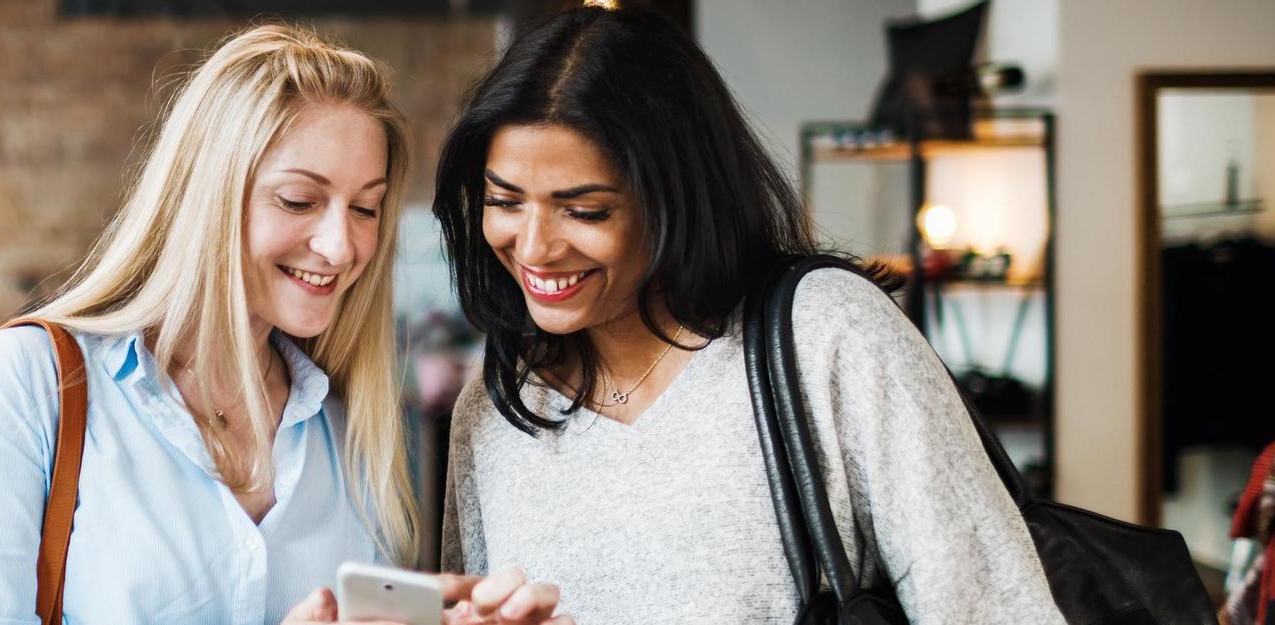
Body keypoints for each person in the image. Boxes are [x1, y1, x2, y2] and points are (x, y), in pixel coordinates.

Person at [431, 6, 1065, 623]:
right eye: (504, 201)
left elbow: (993, 606)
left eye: (585, 210)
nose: (535, 247)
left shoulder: (826, 336)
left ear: (677, 196)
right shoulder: (497, 407)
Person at [0, 25, 568, 625]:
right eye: (299, 200)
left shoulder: (351, 427)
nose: (341, 247)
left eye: (366, 209)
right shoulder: (36, 382)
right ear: (207, 195)